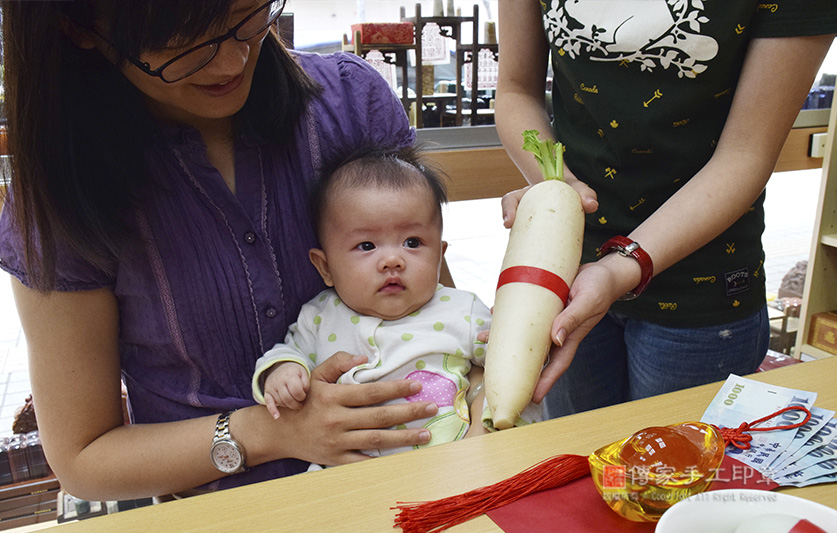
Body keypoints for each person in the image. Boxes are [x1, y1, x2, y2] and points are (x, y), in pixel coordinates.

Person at [0, 0, 446, 501]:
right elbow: (85, 459)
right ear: (80, 29)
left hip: (415, 490)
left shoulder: (349, 105)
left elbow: (438, 317)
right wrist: (271, 431)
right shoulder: (63, 196)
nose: (231, 62)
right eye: (180, 42)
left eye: (247, 16)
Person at [495, 1, 837, 418]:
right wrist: (557, 190)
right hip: (569, 262)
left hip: (701, 280)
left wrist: (622, 265)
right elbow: (515, 90)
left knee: (674, 479)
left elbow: (746, 153)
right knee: (575, 464)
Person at [253, 147, 512, 459]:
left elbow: (506, 361)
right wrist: (282, 371)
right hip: (353, 479)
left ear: (439, 254)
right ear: (325, 268)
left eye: (412, 243)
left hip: (453, 467)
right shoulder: (319, 317)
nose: (392, 259)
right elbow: (288, 352)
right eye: (366, 245)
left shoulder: (462, 309)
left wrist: (507, 337)